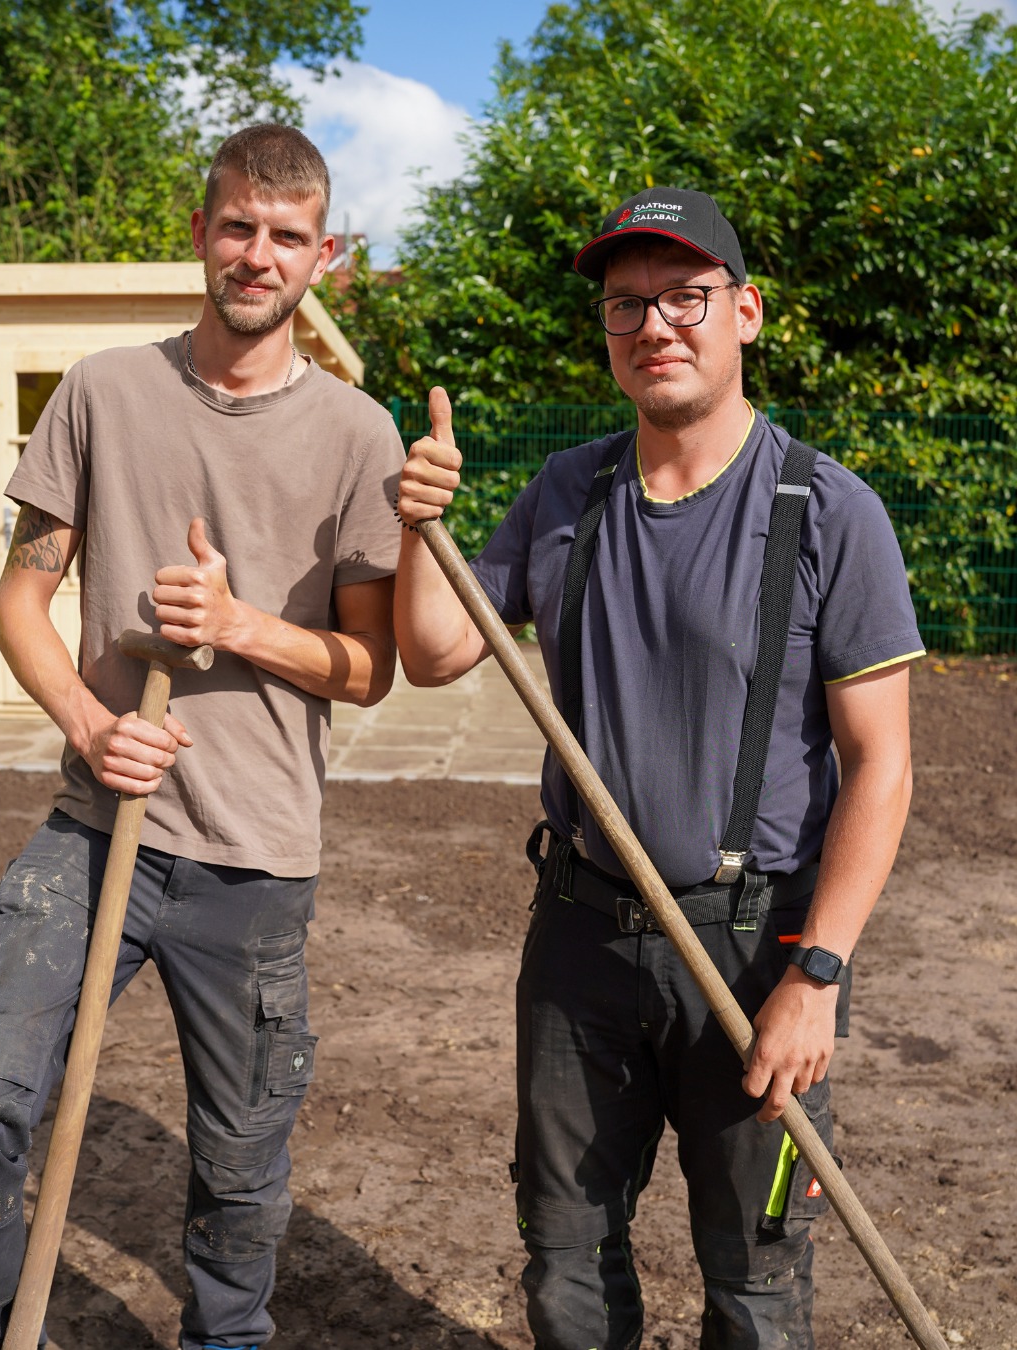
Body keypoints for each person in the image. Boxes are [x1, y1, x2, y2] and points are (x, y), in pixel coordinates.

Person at [393, 187, 924, 1349]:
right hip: (579, 944)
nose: (654, 326)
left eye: (685, 297)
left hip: (755, 951)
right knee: (567, 1262)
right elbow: (431, 655)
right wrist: (419, 525)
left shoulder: (829, 512)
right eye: (626, 305)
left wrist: (817, 978)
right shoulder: (565, 494)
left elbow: (881, 765)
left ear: (746, 313)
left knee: (758, 1282)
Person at [0, 123, 404, 1350]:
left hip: (256, 859)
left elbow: (371, 669)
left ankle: (225, 1342)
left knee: (241, 1173)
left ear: (323, 257)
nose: (259, 255)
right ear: (202, 232)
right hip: (98, 831)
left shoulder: (359, 434)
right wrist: (90, 724)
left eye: (288, 236)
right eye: (238, 226)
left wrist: (241, 624)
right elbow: (20, 600)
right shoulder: (103, 392)